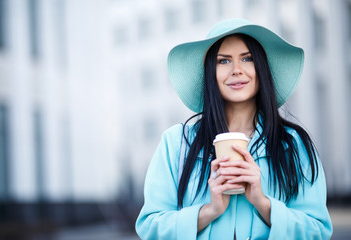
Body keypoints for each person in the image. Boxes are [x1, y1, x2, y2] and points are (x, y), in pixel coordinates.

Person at [135, 18, 333, 239]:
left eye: (247, 58)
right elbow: (149, 227)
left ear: (262, 68)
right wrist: (209, 211)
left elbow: (318, 231)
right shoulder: (176, 144)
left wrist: (263, 204)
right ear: (211, 73)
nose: (237, 70)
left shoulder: (293, 145)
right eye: (224, 61)